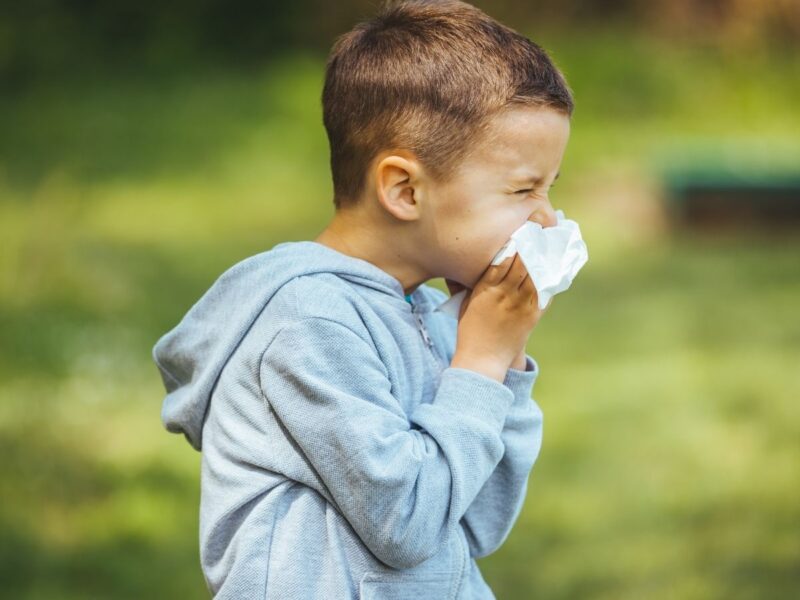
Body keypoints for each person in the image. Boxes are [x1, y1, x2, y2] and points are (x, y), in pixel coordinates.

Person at [152, 0, 574, 597]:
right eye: (523, 189)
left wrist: (506, 359)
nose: (546, 217)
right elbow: (405, 524)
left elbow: (475, 524)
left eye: (551, 188)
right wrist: (480, 365)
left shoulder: (428, 317)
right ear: (404, 189)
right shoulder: (307, 324)